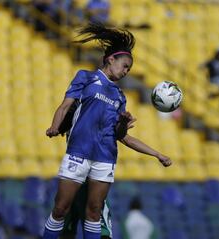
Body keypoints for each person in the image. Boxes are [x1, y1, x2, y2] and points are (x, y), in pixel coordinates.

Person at [42, 22, 172, 239]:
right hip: (78, 153)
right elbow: (65, 105)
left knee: (94, 213)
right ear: (110, 59)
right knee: (60, 209)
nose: (126, 71)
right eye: (124, 65)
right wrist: (55, 127)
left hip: (105, 158)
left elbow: (122, 137)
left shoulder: (120, 97)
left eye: (129, 69)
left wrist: (156, 153)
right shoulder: (85, 77)